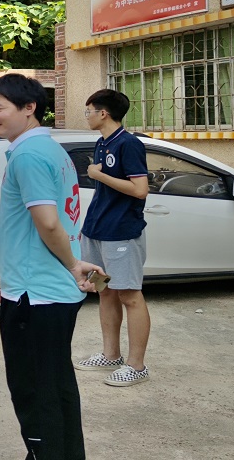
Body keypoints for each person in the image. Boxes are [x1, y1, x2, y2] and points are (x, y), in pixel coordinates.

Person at [0, 74, 102, 460]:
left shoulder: (30, 155)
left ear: (29, 108)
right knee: (55, 383)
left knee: (34, 389)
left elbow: (48, 223)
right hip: (48, 290)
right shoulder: (48, 149)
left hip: (35, 293)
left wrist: (73, 264)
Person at [75, 89, 151, 387]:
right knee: (104, 291)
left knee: (129, 295)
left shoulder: (129, 144)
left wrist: (98, 175)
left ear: (103, 113)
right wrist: (88, 225)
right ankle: (111, 355)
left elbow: (140, 190)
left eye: (89, 111)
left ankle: (137, 366)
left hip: (121, 232)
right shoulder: (102, 142)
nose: (87, 116)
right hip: (97, 229)